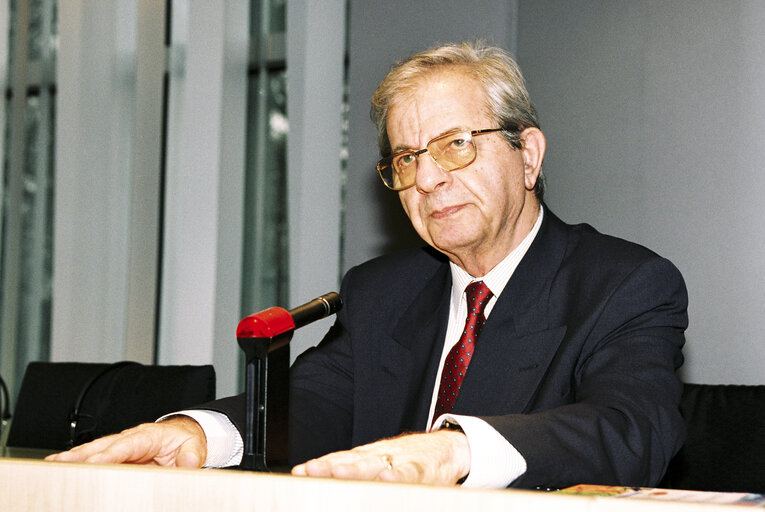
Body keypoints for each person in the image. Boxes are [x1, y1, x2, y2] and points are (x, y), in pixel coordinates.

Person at [47, 41, 688, 489]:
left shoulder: (624, 284)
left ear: (528, 156)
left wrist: (457, 450)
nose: (429, 178)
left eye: (456, 145)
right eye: (407, 158)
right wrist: (200, 435)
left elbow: (632, 430)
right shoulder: (383, 290)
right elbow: (312, 406)